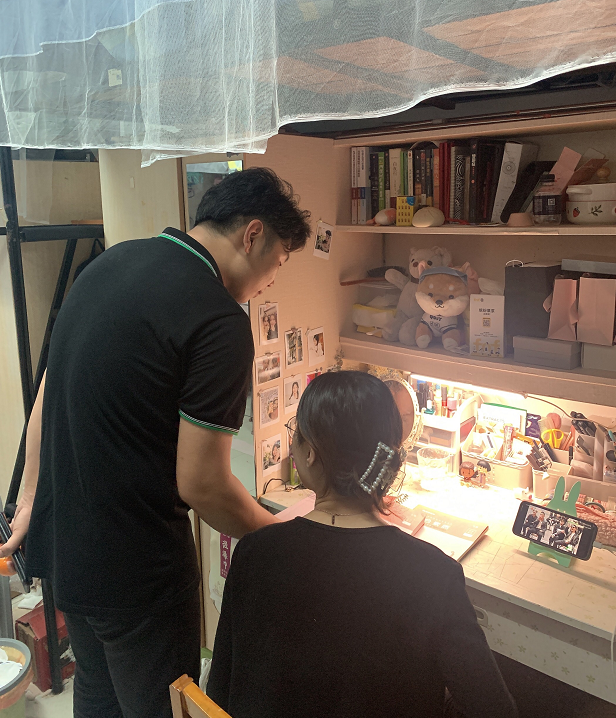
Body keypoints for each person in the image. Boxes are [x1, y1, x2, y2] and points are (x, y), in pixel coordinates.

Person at [1, 167, 311, 718]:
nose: (272, 280)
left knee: (97, 694)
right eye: (280, 262)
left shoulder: (109, 263)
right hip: (138, 571)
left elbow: (49, 390)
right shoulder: (219, 320)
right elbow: (202, 484)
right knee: (161, 707)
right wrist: (278, 538)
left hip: (66, 548)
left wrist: (29, 497)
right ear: (253, 234)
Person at [207, 371, 517, 718]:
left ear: (309, 454)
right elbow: (495, 709)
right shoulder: (434, 575)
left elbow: (218, 691)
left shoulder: (254, 552)